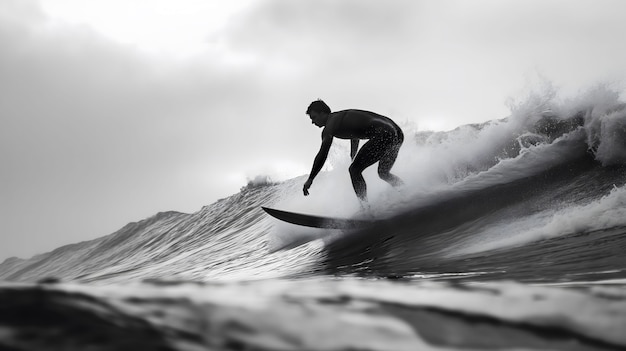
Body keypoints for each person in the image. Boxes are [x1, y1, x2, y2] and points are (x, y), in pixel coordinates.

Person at [303, 99, 404, 202]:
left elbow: (323, 153)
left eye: (314, 117)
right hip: (397, 133)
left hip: (383, 134)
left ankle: (365, 209)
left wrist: (311, 178)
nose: (313, 122)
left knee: (354, 170)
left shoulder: (330, 126)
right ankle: (407, 192)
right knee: (383, 172)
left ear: (323, 113)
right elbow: (354, 134)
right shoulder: (341, 117)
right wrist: (353, 155)